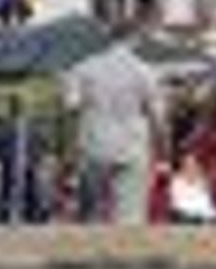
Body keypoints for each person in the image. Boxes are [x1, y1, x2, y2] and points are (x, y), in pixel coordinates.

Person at [67, 25, 160, 225]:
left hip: (95, 141)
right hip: (133, 144)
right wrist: (163, 148)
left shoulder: (83, 68)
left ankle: (88, 252)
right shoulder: (144, 70)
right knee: (130, 214)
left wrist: (69, 149)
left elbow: (72, 108)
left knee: (92, 212)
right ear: (134, 40)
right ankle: (125, 254)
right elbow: (156, 115)